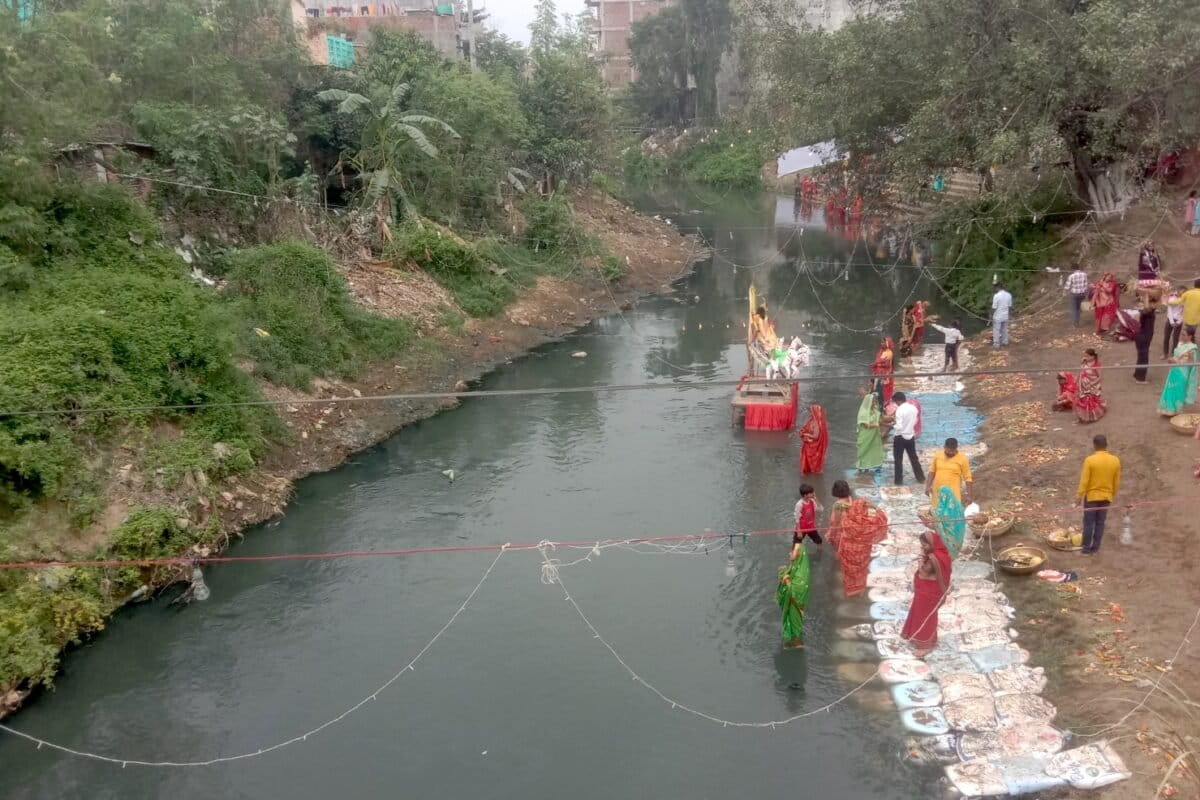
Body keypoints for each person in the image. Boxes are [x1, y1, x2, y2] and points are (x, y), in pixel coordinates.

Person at [828, 480, 889, 597]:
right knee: (862, 567)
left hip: (848, 543)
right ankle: (861, 589)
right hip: (863, 545)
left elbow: (834, 523)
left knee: (849, 569)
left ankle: (851, 590)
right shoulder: (857, 503)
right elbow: (875, 517)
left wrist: (831, 535)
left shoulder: (838, 506)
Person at [900, 531, 952, 657]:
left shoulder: (934, 559)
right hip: (930, 591)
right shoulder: (942, 554)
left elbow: (923, 572)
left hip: (929, 593)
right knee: (927, 616)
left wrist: (920, 560)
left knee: (924, 618)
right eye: (922, 545)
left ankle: (925, 646)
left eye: (925, 545)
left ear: (932, 543)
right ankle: (928, 640)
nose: (923, 548)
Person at [1076, 434, 1121, 555]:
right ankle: (1095, 549)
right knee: (1100, 523)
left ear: (1094, 445)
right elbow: (1116, 482)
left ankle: (1085, 549)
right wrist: (1112, 495)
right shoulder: (1115, 460)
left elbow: (1084, 481)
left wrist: (1079, 496)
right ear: (1106, 445)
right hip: (1106, 497)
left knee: (1088, 523)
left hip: (1092, 497)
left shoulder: (1090, 460)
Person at [1157, 327, 1199, 415]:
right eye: (1181, 334)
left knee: (1179, 391)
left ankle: (1177, 411)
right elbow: (1177, 356)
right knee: (1170, 389)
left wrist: (1176, 361)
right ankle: (1168, 409)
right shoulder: (1180, 344)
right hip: (1174, 370)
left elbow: (1191, 363)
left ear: (1190, 336)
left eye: (1184, 335)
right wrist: (1172, 359)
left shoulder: (1192, 349)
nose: (1182, 337)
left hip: (1182, 373)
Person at [777, 543, 811, 649]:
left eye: (792, 551)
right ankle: (789, 642)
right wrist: (784, 572)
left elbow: (795, 590)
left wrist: (785, 578)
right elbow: (790, 575)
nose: (789, 553)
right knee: (792, 621)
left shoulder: (801, 574)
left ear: (799, 554)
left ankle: (797, 643)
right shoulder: (796, 566)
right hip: (792, 602)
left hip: (795, 603)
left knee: (795, 622)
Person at [925, 437, 973, 504]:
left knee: (952, 512)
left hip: (953, 493)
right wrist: (928, 486)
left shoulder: (962, 459)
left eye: (953, 451)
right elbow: (932, 472)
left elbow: (968, 478)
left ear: (956, 448)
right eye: (949, 451)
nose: (950, 453)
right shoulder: (938, 455)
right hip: (938, 491)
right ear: (944, 447)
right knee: (937, 511)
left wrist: (969, 496)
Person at [891, 392, 925, 487]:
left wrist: (892, 425)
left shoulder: (899, 410)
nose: (895, 404)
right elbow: (916, 421)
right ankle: (921, 478)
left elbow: (899, 426)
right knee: (913, 458)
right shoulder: (913, 408)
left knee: (898, 460)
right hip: (910, 436)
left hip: (900, 437)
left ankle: (898, 481)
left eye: (895, 402)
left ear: (898, 401)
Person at [933, 484, 967, 557]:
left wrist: (932, 512)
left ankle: (949, 555)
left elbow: (937, 521)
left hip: (948, 540)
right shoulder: (959, 506)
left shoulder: (941, 511)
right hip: (958, 538)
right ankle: (955, 552)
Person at [856, 390, 884, 473]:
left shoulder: (874, 411)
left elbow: (881, 420)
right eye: (873, 401)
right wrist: (876, 425)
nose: (875, 402)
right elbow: (866, 425)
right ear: (869, 402)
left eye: (875, 401)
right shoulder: (863, 412)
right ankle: (861, 470)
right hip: (865, 436)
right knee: (863, 452)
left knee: (871, 452)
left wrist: (893, 419)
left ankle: (867, 468)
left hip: (874, 437)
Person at [1076, 348, 1106, 423]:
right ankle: (1083, 417)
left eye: (1087, 356)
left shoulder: (1096, 365)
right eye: (1085, 356)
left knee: (1090, 401)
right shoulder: (1084, 362)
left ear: (1093, 356)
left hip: (1092, 386)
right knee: (1082, 400)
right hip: (1083, 385)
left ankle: (1092, 417)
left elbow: (1100, 377)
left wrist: (1091, 384)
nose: (1086, 357)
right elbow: (1081, 372)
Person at [798, 403, 829, 474]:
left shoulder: (817, 424)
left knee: (811, 462)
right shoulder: (812, 420)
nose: (810, 412)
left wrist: (806, 434)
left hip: (812, 447)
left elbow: (816, 436)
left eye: (811, 411)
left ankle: (811, 472)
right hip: (809, 444)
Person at [1132, 302, 1156, 384]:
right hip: (1143, 338)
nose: (1154, 305)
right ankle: (1140, 378)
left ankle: (1137, 374)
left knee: (1141, 357)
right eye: (1153, 303)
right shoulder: (1146, 313)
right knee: (1144, 358)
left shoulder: (1147, 312)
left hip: (1142, 337)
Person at [871, 337, 895, 407]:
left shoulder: (889, 353)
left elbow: (886, 364)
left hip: (885, 375)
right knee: (877, 388)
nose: (882, 344)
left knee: (883, 390)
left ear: (887, 344)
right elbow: (878, 361)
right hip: (878, 373)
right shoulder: (881, 351)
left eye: (883, 343)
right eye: (881, 342)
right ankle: (878, 403)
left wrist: (876, 364)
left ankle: (884, 404)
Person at [1163, 289, 1184, 359]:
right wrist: (1171, 322)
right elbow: (1170, 311)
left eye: (1183, 291)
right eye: (1181, 291)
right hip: (1170, 320)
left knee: (1175, 338)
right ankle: (1165, 353)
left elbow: (1184, 312)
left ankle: (1173, 354)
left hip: (1179, 321)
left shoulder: (1184, 300)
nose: (1181, 292)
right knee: (1166, 337)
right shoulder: (1172, 299)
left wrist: (1179, 322)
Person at [991, 282, 1012, 348]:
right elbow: (1010, 306)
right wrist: (1009, 314)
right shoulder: (1009, 295)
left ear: (997, 287)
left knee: (996, 330)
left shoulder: (996, 296)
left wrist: (991, 314)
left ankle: (996, 344)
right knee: (1004, 329)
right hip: (1005, 315)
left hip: (997, 316)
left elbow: (994, 307)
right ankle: (1005, 342)